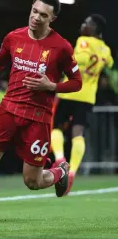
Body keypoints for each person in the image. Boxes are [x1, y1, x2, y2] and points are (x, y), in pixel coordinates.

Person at [0, 0, 82, 234]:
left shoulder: (61, 47)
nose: (36, 18)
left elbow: (77, 82)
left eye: (43, 15)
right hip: (8, 109)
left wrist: (51, 86)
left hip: (38, 117)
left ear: (52, 19)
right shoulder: (13, 37)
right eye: (34, 11)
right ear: (31, 8)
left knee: (32, 182)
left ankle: (58, 171)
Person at [51, 14, 114, 193]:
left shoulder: (83, 41)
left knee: (56, 127)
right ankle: (72, 172)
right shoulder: (106, 50)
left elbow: (80, 59)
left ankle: (60, 159)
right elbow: (109, 62)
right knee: (78, 132)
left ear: (94, 29)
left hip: (70, 92)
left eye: (87, 23)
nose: (83, 24)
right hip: (88, 97)